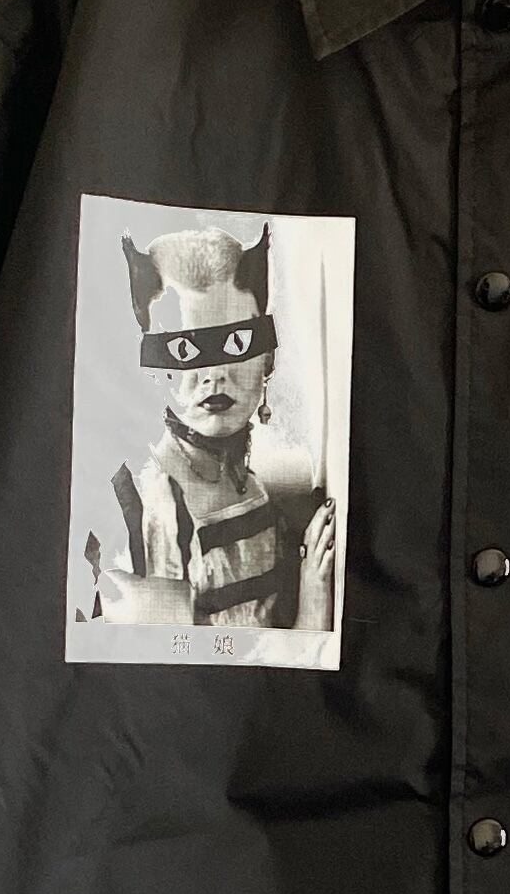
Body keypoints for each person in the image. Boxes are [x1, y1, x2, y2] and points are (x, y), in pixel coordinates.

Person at [97, 221, 336, 631]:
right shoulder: (151, 502)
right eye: (184, 350)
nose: (214, 375)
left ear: (267, 360)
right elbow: (188, 661)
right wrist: (312, 614)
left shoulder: (254, 477)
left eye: (237, 344)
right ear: (154, 369)